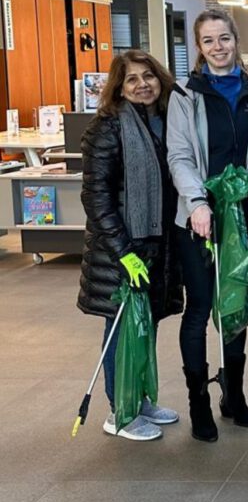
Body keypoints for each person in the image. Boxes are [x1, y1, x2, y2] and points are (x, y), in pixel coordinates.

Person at [167, 10, 248, 442]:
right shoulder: (184, 94)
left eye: (224, 38)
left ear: (236, 40)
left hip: (244, 210)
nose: (218, 47)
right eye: (208, 40)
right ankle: (199, 401)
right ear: (199, 47)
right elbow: (179, 156)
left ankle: (234, 394)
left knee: (235, 306)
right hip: (197, 216)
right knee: (199, 308)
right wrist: (197, 203)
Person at [78, 50, 183, 441]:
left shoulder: (164, 120)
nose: (143, 85)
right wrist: (124, 252)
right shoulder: (106, 128)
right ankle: (118, 412)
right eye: (132, 79)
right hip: (122, 247)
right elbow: (96, 196)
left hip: (158, 242)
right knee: (121, 330)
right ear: (119, 87)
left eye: (149, 76)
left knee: (145, 326)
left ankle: (138, 400)